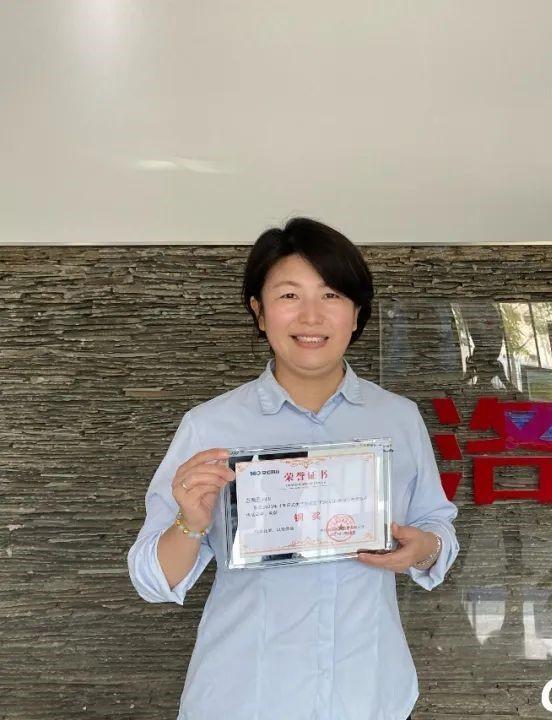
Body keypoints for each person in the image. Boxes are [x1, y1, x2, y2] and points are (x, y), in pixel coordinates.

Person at [127, 217, 458, 720]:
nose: (311, 316)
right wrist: (189, 522)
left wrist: (424, 548)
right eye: (288, 295)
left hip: (369, 694)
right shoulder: (210, 426)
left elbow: (437, 526)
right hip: (244, 699)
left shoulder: (397, 418)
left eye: (330, 295)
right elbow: (152, 580)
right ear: (259, 312)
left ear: (356, 313)